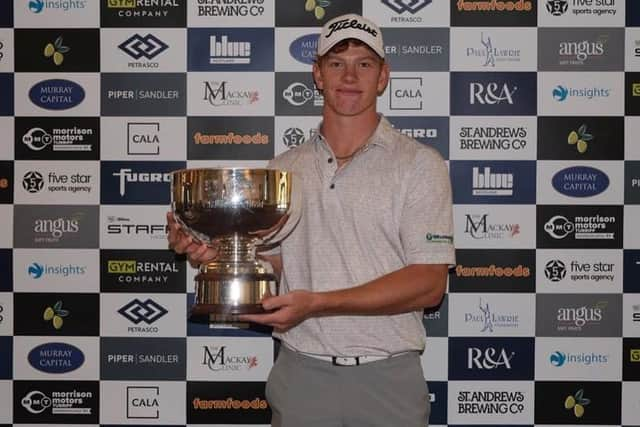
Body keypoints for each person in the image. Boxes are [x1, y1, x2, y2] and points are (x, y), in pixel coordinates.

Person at [168, 13, 454, 427]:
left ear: (383, 76)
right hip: (300, 377)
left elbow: (429, 284)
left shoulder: (419, 165)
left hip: (388, 379)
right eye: (336, 63)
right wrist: (216, 251)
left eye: (364, 63)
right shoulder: (285, 169)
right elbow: (278, 262)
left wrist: (319, 303)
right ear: (317, 74)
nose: (350, 75)